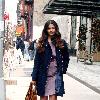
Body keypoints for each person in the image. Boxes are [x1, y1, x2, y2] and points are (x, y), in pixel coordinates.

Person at [31, 20, 69, 100]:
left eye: (53, 28)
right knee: (43, 98)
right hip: (43, 76)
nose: (51, 30)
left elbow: (66, 58)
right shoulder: (41, 43)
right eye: (49, 28)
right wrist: (34, 78)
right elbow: (37, 62)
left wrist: (63, 69)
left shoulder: (61, 43)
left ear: (56, 29)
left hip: (54, 76)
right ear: (46, 30)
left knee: (53, 97)